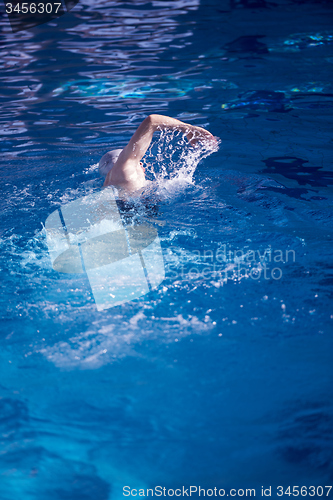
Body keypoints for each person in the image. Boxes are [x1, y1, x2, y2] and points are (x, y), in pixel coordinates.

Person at [99, 114, 217, 193]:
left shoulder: (110, 185)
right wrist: (189, 128)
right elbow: (151, 121)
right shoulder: (125, 170)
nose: (141, 164)